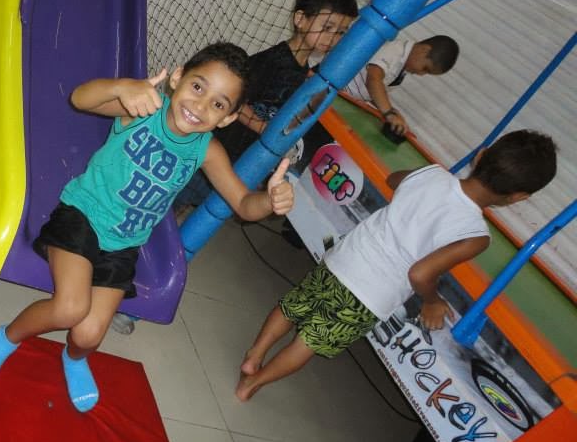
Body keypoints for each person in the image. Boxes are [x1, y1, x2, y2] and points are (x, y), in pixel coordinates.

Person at [0, 43, 295, 412]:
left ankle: (73, 359)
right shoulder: (145, 108)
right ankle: (6, 338)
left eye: (218, 104)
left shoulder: (207, 150)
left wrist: (270, 201)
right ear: (178, 76)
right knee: (70, 309)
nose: (200, 106)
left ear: (228, 118)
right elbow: (80, 98)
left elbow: (244, 204)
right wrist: (122, 87)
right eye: (197, 87)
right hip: (82, 216)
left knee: (89, 334)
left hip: (123, 244)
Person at [235, 129, 557, 401]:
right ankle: (252, 383)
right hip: (370, 294)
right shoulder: (475, 235)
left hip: (344, 259)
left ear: (481, 155)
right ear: (519, 197)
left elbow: (394, 179)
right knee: (307, 342)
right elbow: (421, 273)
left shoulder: (433, 174)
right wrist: (432, 301)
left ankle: (254, 355)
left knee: (292, 307)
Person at [176, 0, 358, 208]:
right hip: (214, 156)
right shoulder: (273, 61)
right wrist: (265, 130)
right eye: (327, 27)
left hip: (239, 163)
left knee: (196, 208)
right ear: (300, 19)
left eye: (341, 32)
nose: (332, 38)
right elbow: (235, 103)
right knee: (172, 201)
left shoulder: (303, 72)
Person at [342, 35, 459, 136]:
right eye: (425, 68)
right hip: (338, 92)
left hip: (347, 101)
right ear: (424, 50)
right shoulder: (395, 50)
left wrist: (393, 111)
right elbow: (373, 80)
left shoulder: (403, 68)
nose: (421, 74)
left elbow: (372, 92)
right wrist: (389, 113)